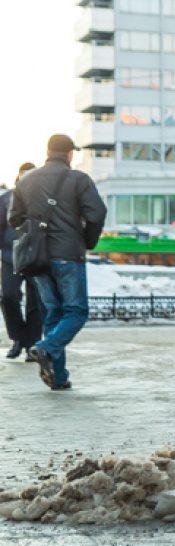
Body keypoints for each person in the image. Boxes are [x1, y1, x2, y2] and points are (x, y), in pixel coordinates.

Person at [8, 134, 107, 390]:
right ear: (70, 154)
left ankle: (59, 376)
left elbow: (14, 219)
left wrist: (34, 229)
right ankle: (45, 347)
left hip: (38, 257)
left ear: (48, 151)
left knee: (53, 312)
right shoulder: (78, 179)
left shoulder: (27, 180)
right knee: (76, 311)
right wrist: (86, 240)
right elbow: (96, 213)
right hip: (67, 256)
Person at [0, 163, 41, 361]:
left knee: (35, 302)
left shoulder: (42, 197)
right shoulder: (6, 199)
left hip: (35, 256)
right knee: (8, 297)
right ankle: (17, 338)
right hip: (11, 257)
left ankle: (32, 343)